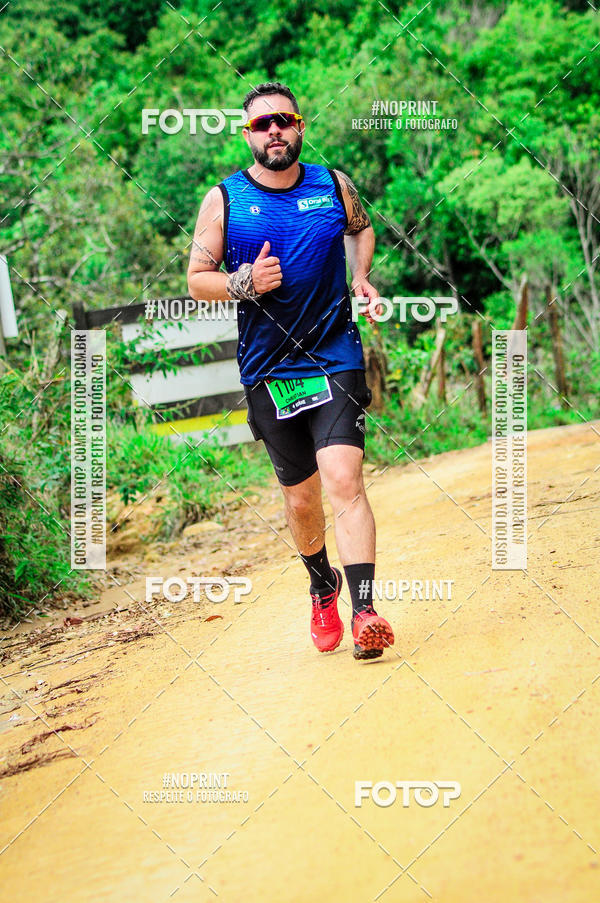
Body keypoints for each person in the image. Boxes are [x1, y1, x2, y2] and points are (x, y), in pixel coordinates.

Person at [187, 81, 394, 660]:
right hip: (269, 369)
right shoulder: (224, 199)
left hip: (334, 354)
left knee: (344, 483)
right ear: (248, 135)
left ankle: (365, 613)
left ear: (300, 127)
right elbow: (197, 280)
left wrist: (361, 276)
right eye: (262, 124)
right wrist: (242, 283)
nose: (274, 130)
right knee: (302, 500)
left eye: (284, 120)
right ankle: (322, 585)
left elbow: (362, 228)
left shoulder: (333, 184)